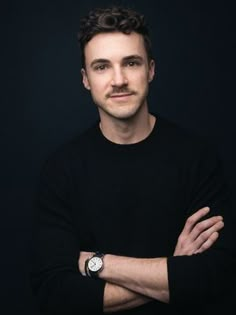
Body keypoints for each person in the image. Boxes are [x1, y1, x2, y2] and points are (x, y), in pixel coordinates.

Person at [30, 5, 235, 315]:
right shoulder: (61, 169)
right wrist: (174, 272)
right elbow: (56, 294)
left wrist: (96, 263)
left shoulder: (198, 157)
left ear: (151, 70)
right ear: (86, 79)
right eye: (101, 67)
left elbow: (215, 277)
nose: (119, 79)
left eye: (131, 63)